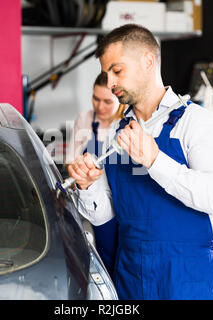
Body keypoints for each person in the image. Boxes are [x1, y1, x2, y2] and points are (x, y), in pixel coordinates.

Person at [67, 24, 213, 300]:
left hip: (185, 278)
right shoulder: (114, 135)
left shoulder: (200, 125)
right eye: (106, 74)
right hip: (130, 275)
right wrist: (89, 187)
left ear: (148, 61)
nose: (110, 84)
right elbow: (105, 215)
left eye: (117, 71)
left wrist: (155, 160)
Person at [65, 72, 125, 277]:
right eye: (96, 99)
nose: (100, 107)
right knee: (103, 262)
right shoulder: (85, 120)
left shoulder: (127, 124)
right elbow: (70, 160)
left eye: (108, 101)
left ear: (120, 98)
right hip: (96, 203)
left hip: (124, 205)